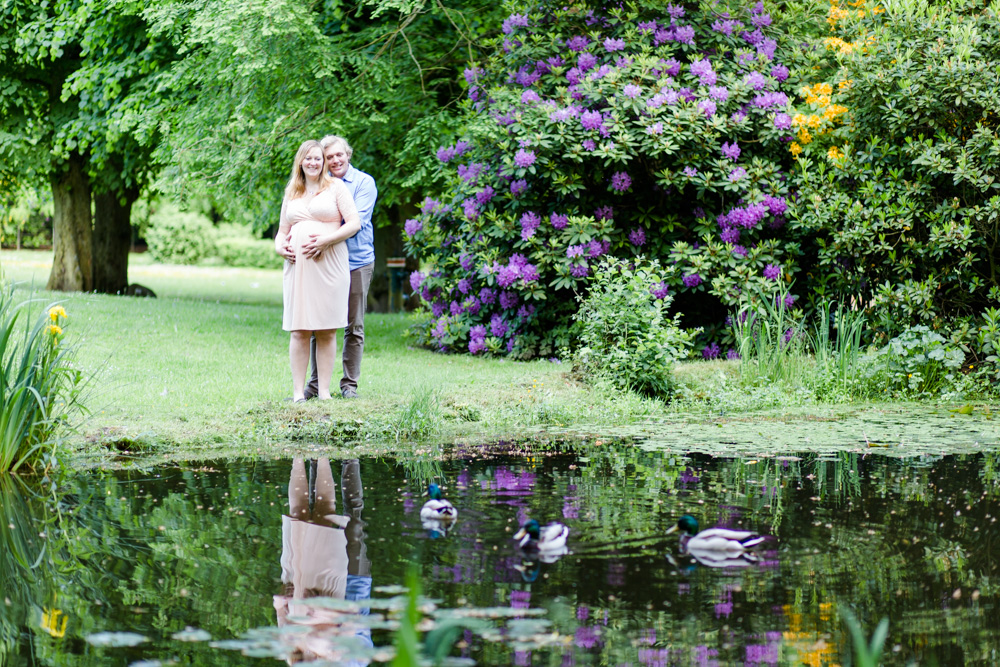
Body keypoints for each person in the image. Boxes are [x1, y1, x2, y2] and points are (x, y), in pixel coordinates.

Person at [275, 140, 360, 402]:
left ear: (323, 163)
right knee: (299, 329)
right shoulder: (292, 191)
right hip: (298, 268)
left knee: (326, 329)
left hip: (330, 265)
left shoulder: (335, 187)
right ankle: (298, 393)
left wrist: (326, 240)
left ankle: (324, 392)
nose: (313, 163)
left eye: (318, 159)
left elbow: (354, 223)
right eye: (308, 158)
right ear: (300, 161)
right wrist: (280, 249)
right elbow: (281, 233)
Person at [273, 458, 373, 665]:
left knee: (302, 519)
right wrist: (320, 619)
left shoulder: (296, 660)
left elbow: (284, 626)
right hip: (349, 585)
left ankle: (309, 456)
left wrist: (283, 606)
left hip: (303, 591)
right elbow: (354, 622)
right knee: (346, 521)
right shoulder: (352, 663)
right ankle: (347, 459)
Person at [303, 135, 378, 400]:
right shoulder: (319, 184)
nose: (335, 160)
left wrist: (322, 234)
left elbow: (353, 219)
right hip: (324, 263)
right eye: (329, 156)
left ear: (348, 154)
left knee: (353, 326)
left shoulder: (363, 183)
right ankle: (314, 386)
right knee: (318, 324)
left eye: (339, 155)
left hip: (356, 262)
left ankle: (349, 386)